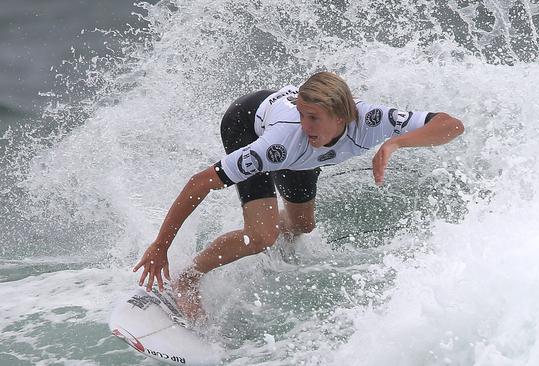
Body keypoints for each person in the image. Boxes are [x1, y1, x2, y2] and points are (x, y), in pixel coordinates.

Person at [133, 72, 464, 319]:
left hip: (302, 152)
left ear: (342, 117)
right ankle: (190, 276)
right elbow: (199, 183)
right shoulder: (282, 143)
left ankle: (269, 236)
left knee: (302, 225)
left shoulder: (371, 121)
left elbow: (451, 124)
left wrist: (395, 143)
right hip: (246, 122)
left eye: (313, 118)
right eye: (302, 114)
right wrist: (161, 245)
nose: (306, 125)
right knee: (261, 235)